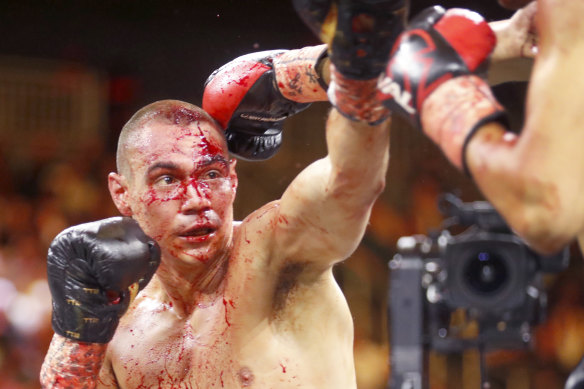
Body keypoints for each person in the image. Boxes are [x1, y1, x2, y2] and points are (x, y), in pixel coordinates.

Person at [38, 1, 408, 387]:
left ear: (233, 178)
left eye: (211, 174)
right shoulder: (120, 329)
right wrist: (75, 332)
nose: (197, 199)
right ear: (122, 192)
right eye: (167, 179)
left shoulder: (276, 255)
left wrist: (335, 69)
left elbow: (352, 180)